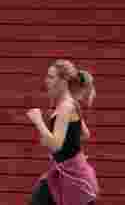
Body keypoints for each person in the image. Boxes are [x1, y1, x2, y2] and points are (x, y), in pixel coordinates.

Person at [26, 59, 100, 205]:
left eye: (51, 77)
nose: (46, 81)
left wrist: (38, 121)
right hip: (64, 171)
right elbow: (84, 133)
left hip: (73, 176)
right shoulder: (70, 103)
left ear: (63, 81)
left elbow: (56, 145)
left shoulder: (66, 107)